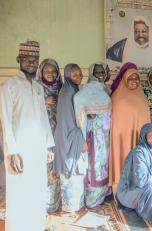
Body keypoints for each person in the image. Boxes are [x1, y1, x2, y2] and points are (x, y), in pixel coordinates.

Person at [0, 41, 54, 231]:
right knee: (19, 191)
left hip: (38, 148)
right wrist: (12, 152)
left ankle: (36, 226)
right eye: (27, 59)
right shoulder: (9, 86)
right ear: (19, 60)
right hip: (19, 150)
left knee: (37, 189)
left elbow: (44, 119)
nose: (31, 63)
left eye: (34, 60)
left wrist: (48, 145)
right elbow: (5, 121)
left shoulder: (39, 88)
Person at [74, 63, 112, 208]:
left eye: (103, 71)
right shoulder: (87, 89)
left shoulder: (105, 89)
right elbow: (79, 102)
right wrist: (88, 115)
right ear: (92, 73)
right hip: (94, 136)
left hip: (105, 136)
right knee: (94, 165)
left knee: (103, 165)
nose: (100, 74)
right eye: (97, 72)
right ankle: (92, 198)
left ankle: (103, 193)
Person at [109, 62, 150, 188]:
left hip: (138, 139)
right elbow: (116, 123)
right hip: (122, 140)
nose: (134, 81)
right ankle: (120, 191)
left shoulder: (142, 96)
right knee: (123, 163)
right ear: (125, 79)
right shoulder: (117, 97)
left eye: (136, 78)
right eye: (130, 78)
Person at [54, 63, 87, 212]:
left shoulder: (74, 90)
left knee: (75, 175)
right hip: (69, 137)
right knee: (72, 173)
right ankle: (70, 207)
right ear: (67, 76)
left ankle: (74, 206)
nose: (78, 77)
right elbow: (68, 121)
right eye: (74, 75)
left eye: (80, 74)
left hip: (72, 136)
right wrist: (80, 139)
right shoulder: (67, 93)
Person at [36, 58, 63, 213]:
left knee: (56, 168)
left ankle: (54, 202)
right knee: (44, 167)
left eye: (54, 71)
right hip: (42, 137)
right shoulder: (36, 89)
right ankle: (43, 203)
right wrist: (42, 101)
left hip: (59, 136)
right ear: (41, 72)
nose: (51, 74)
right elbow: (26, 107)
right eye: (47, 71)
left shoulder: (62, 88)